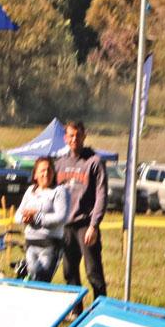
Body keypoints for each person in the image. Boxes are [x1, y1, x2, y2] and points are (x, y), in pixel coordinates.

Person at [54, 121, 107, 305]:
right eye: (71, 135)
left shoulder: (94, 162)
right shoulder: (59, 163)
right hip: (66, 226)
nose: (74, 139)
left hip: (85, 225)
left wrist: (94, 225)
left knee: (93, 271)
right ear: (65, 138)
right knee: (69, 271)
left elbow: (101, 195)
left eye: (78, 135)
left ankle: (101, 308)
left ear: (84, 136)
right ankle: (76, 311)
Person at [14, 156, 70, 282]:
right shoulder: (30, 191)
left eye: (49, 170)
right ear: (35, 175)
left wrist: (36, 217)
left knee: (41, 280)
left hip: (50, 245)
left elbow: (62, 217)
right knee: (31, 280)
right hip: (30, 244)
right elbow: (17, 215)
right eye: (42, 170)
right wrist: (25, 218)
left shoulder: (60, 191)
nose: (46, 173)